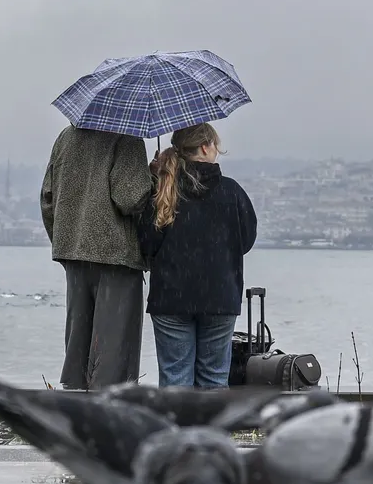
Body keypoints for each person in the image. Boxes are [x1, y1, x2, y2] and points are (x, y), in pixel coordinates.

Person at [139, 123, 258, 388]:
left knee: (174, 379)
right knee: (214, 380)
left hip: (171, 298)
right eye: (215, 144)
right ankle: (211, 430)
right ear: (206, 147)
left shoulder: (163, 191)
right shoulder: (232, 191)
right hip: (220, 296)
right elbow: (246, 241)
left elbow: (146, 243)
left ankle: (176, 429)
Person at [40, 125, 152, 390]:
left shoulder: (66, 137)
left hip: (74, 252)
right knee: (114, 351)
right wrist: (153, 178)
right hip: (116, 256)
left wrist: (65, 240)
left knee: (77, 347)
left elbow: (47, 198)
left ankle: (76, 409)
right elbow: (130, 198)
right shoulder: (126, 135)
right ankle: (109, 415)